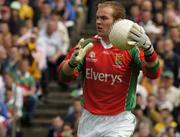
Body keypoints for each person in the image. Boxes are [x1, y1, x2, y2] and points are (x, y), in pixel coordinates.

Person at [58, 1, 160, 137]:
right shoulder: (87, 45)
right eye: (97, 18)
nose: (98, 22)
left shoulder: (132, 48)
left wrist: (149, 51)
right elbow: (63, 77)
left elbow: (153, 73)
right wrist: (71, 63)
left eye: (104, 18)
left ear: (117, 22)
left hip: (119, 119)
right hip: (89, 118)